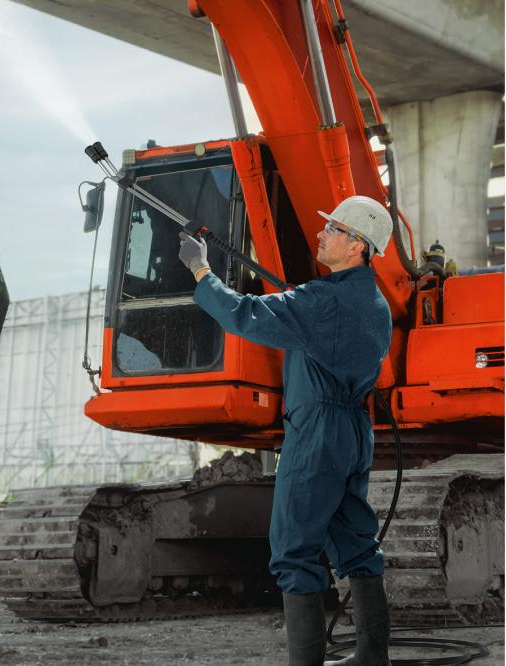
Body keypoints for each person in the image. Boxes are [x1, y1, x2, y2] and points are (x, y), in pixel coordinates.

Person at [178, 195, 394, 666]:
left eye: (332, 229)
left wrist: (200, 270)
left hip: (317, 431)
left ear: (358, 245)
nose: (321, 234)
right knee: (357, 542)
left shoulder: (322, 302)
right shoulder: (374, 303)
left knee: (294, 551)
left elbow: (243, 314)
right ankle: (373, 659)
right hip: (355, 431)